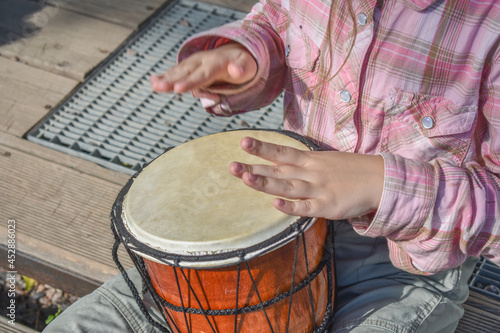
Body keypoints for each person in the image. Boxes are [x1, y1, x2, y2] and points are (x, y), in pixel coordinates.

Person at [45, 0, 500, 332]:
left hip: (398, 272)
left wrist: (384, 186)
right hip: (271, 237)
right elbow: (277, 23)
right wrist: (248, 54)